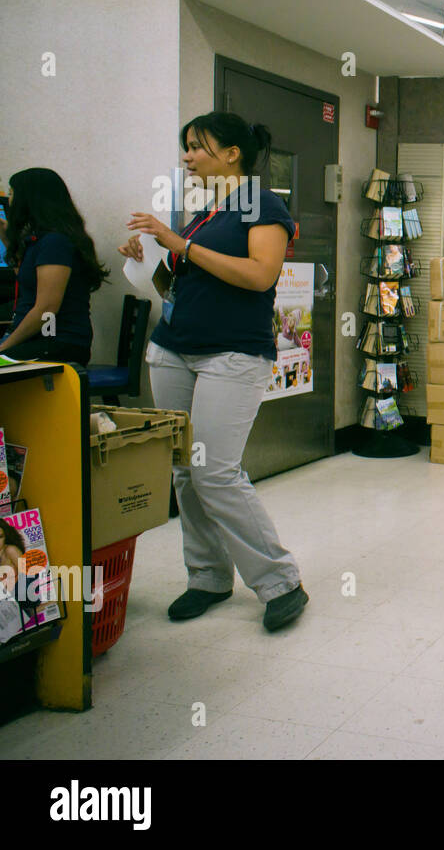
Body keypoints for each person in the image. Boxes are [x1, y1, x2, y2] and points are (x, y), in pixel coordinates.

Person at [118, 111, 308, 633]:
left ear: (231, 154)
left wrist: (180, 245)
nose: (187, 157)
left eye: (196, 147)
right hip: (174, 349)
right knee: (183, 467)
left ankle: (280, 581)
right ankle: (207, 577)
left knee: (214, 470)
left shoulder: (264, 206)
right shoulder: (205, 214)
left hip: (233, 355)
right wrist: (147, 260)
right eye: (185, 148)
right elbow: (176, 288)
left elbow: (259, 275)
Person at [0, 168, 109, 366]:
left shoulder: (55, 243)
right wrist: (6, 235)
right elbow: (27, 284)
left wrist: (5, 346)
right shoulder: (42, 239)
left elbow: (46, 309)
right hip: (42, 341)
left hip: (55, 344)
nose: (9, 201)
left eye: (12, 194)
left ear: (29, 199)